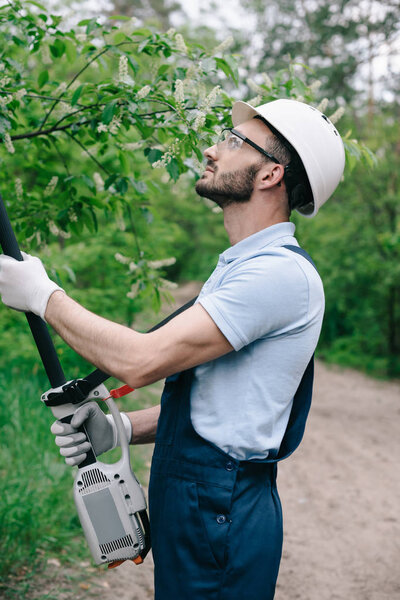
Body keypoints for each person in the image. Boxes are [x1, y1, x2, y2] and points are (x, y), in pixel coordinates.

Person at [0, 99, 345, 599]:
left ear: (271, 173)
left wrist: (41, 294)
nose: (211, 149)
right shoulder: (242, 267)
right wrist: (118, 426)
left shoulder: (277, 273)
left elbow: (141, 360)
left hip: (220, 508)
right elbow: (221, 407)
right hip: (201, 502)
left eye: (232, 141)